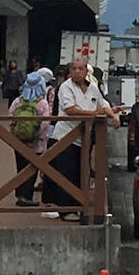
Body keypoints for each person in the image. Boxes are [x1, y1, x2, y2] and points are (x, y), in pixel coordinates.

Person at [43, 57, 123, 220]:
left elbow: (103, 104)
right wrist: (93, 113)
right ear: (70, 71)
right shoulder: (65, 87)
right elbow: (70, 109)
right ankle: (67, 211)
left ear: (86, 71)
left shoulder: (92, 87)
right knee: (67, 174)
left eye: (81, 68)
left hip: (83, 139)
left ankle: (79, 207)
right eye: (74, 68)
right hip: (65, 136)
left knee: (81, 174)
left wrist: (113, 115)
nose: (77, 71)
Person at [9, 71, 51, 206]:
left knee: (20, 167)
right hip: (36, 143)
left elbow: (10, 116)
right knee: (32, 169)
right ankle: (27, 197)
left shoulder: (18, 101)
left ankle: (19, 194)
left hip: (19, 142)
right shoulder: (42, 103)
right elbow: (45, 122)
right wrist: (40, 137)